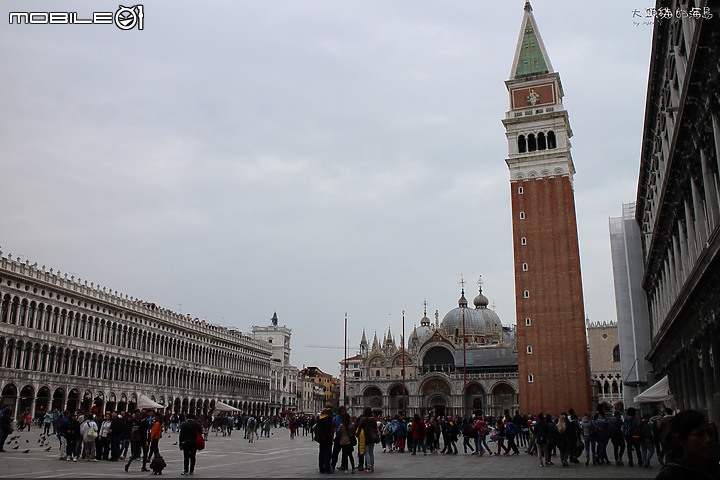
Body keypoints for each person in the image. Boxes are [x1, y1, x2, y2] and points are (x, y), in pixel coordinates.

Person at [655, 410, 718, 480]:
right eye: (699, 435)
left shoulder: (714, 466)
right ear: (680, 439)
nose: (708, 439)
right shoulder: (670, 475)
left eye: (710, 433)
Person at [357, 407, 378, 471]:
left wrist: (357, 434)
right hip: (372, 437)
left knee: (366, 452)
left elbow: (359, 428)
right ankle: (372, 466)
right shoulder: (373, 419)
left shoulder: (363, 419)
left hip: (365, 437)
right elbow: (375, 429)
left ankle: (368, 467)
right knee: (371, 452)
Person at [315, 408, 334, 474]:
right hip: (327, 439)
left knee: (322, 453)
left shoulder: (319, 419)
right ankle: (327, 468)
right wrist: (330, 437)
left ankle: (321, 468)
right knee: (327, 454)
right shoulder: (327, 419)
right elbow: (328, 430)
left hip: (321, 439)